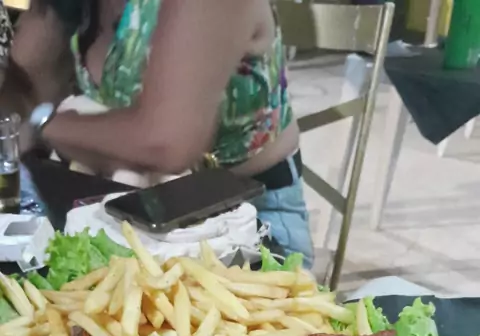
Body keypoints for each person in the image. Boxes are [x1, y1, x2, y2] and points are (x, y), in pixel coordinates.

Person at [2, 0, 314, 266]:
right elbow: (26, 85)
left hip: (250, 227)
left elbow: (166, 143)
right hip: (130, 213)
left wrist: (42, 125)